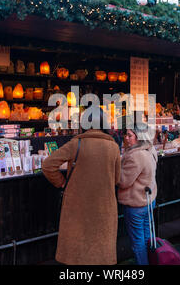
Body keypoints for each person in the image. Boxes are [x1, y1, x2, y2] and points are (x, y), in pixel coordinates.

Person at [42, 108, 121, 265]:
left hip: (77, 207)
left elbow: (48, 165)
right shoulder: (113, 147)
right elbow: (116, 179)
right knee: (101, 252)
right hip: (104, 207)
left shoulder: (76, 143)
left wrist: (62, 183)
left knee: (77, 253)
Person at [118, 122, 158, 265]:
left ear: (139, 137)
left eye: (129, 135)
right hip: (148, 201)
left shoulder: (135, 156)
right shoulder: (150, 150)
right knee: (148, 237)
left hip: (136, 204)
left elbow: (123, 181)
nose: (126, 138)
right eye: (125, 134)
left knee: (138, 242)